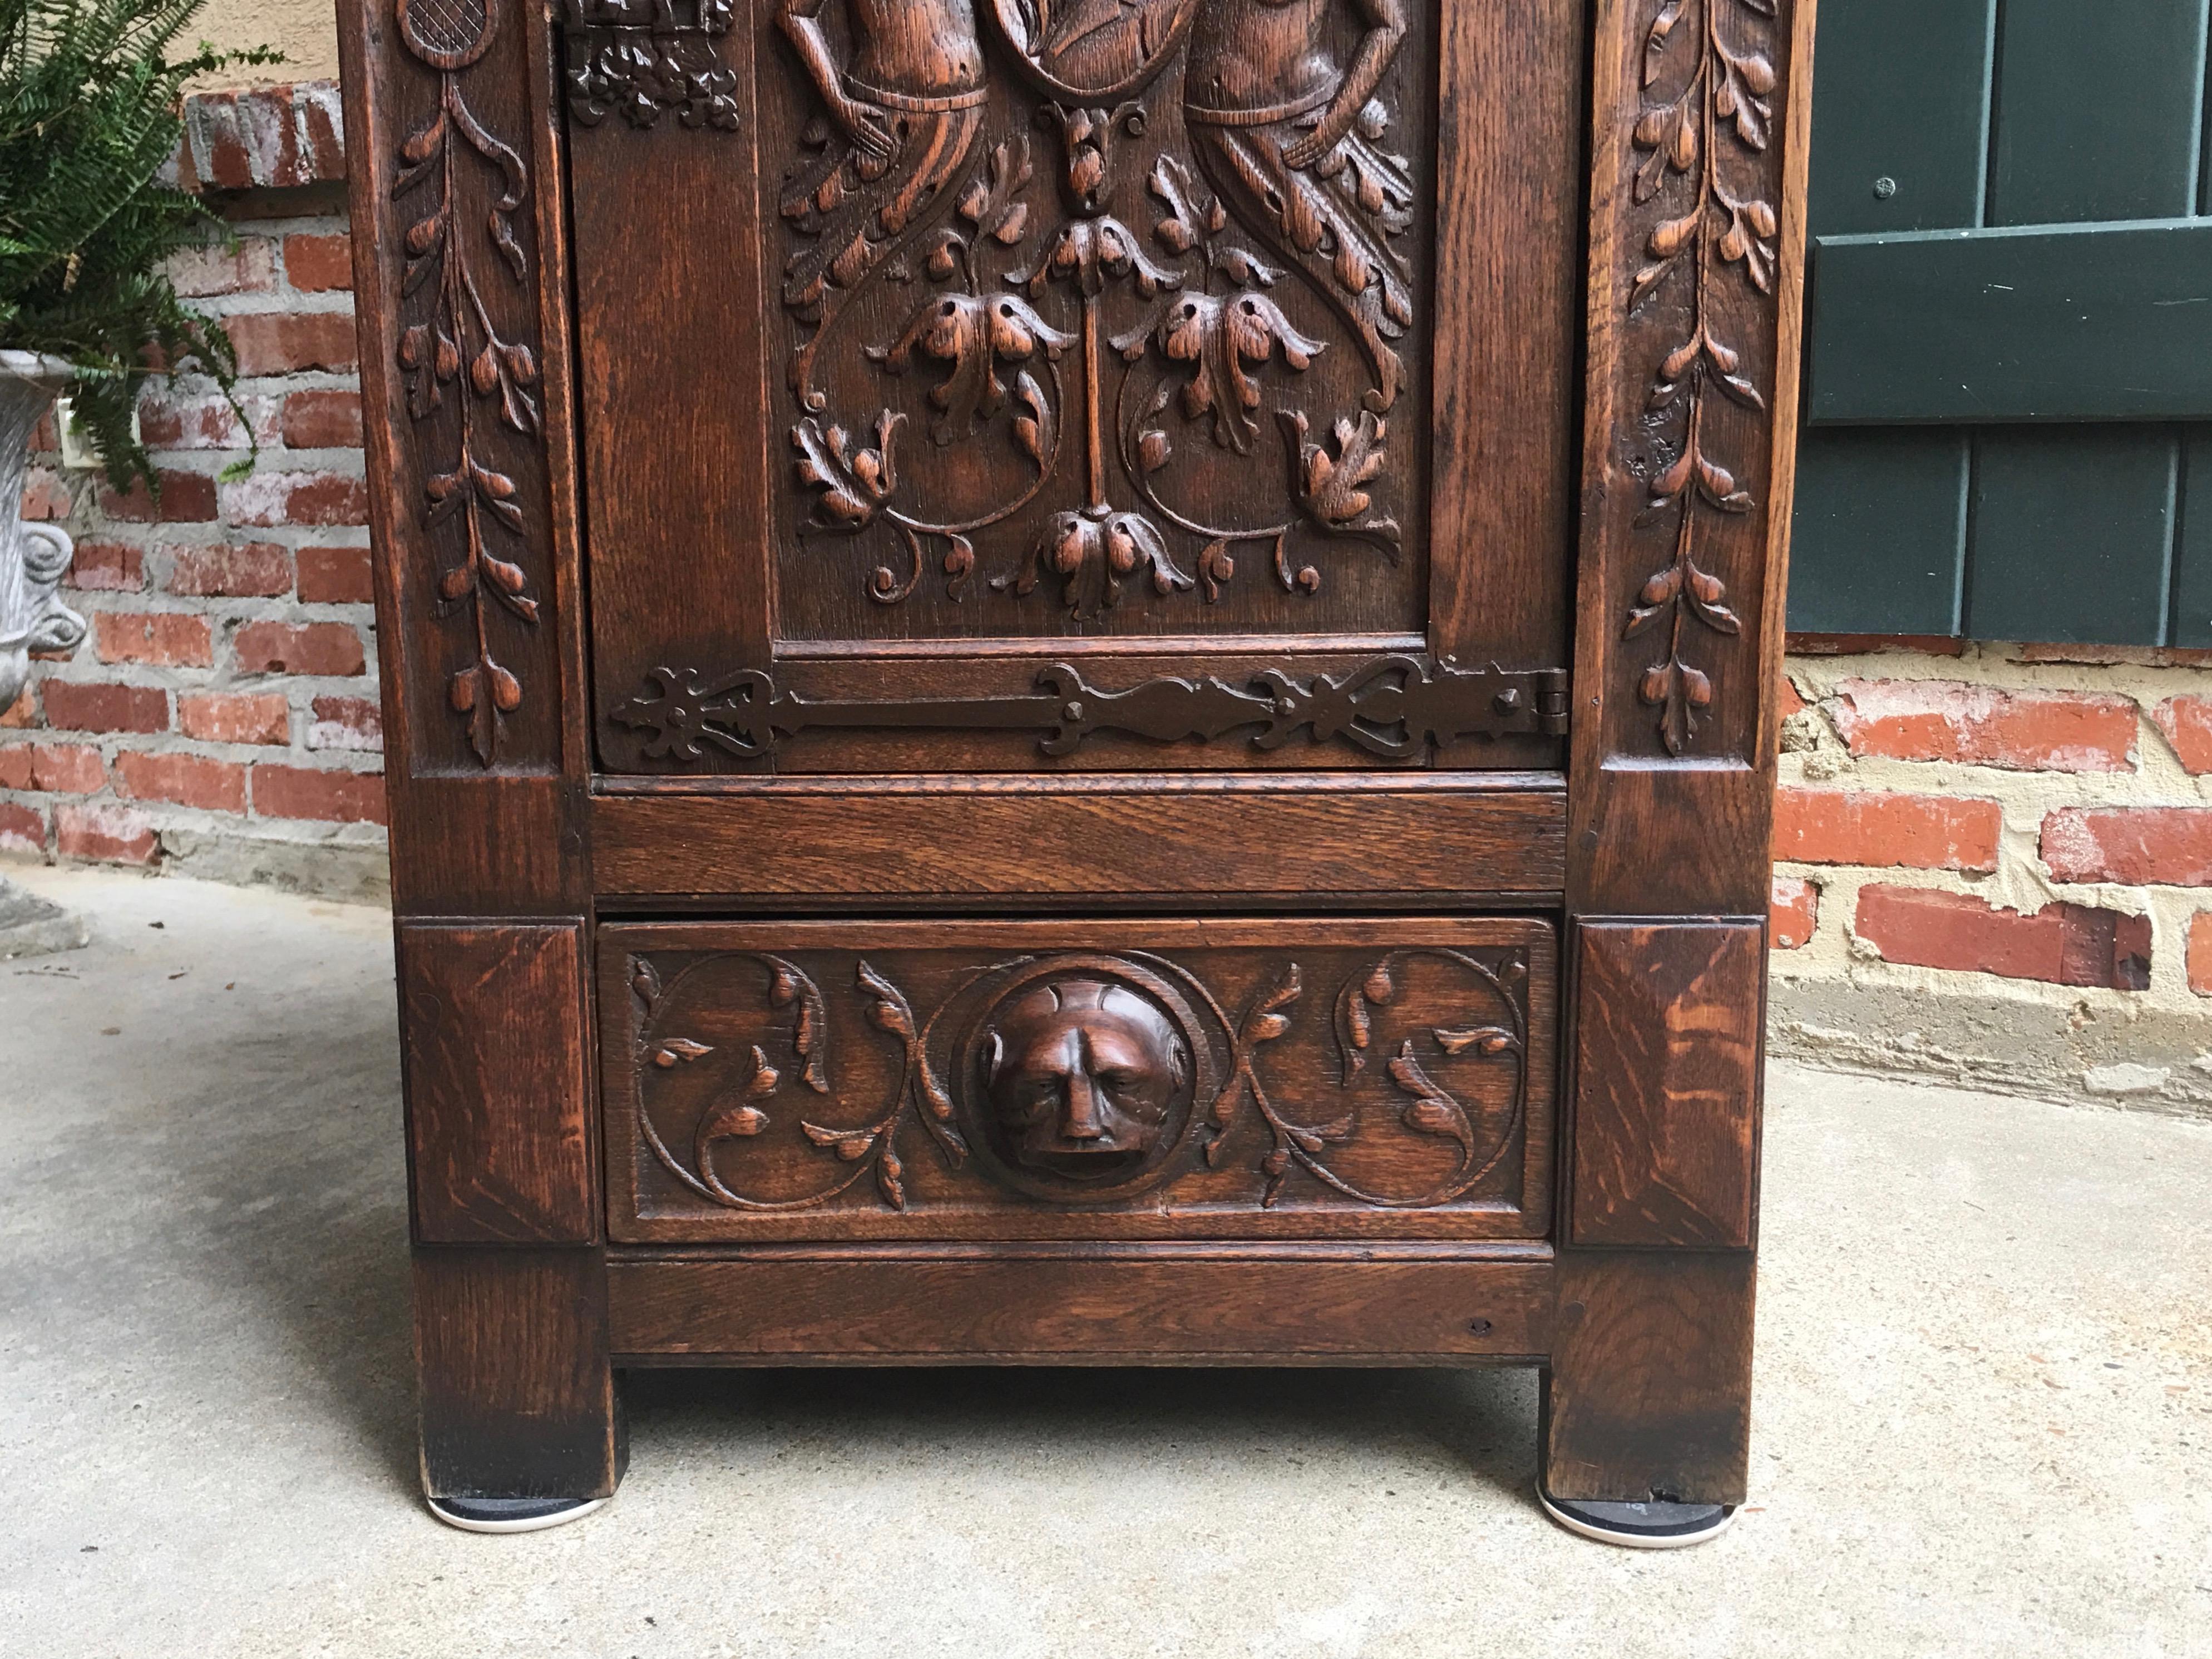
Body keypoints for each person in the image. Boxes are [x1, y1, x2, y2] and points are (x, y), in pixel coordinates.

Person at [1183, 0, 1414, 412]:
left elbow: (1391, 25)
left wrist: (1336, 123)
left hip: (1296, 134)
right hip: (1219, 132)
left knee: (1371, 298)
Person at [778, 0, 991, 406]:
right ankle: (820, 384)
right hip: (886, 130)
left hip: (966, 123)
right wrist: (839, 104)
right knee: (836, 271)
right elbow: (793, 13)